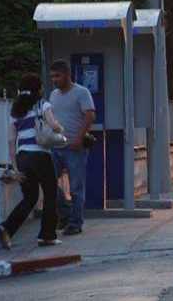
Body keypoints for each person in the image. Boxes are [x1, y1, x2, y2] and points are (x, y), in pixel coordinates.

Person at [0, 74, 64, 248]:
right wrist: (59, 128)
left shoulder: (15, 110)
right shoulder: (43, 104)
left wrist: (16, 168)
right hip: (41, 155)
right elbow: (53, 124)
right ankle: (47, 235)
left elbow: (11, 141)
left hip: (23, 157)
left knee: (30, 197)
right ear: (38, 89)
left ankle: (6, 228)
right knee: (50, 194)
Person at [49, 59, 96, 236]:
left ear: (67, 75)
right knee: (48, 181)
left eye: (57, 76)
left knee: (76, 187)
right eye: (52, 76)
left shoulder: (81, 92)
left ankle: (75, 223)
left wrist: (79, 138)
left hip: (75, 147)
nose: (54, 79)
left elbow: (90, 115)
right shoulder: (53, 95)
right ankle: (66, 213)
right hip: (56, 146)